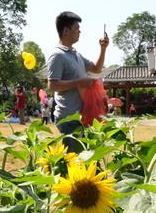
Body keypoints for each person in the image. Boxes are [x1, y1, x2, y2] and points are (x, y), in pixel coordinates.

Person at [46, 11, 109, 152]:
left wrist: (103, 49)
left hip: (81, 117)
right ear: (66, 31)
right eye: (76, 28)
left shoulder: (76, 54)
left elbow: (96, 69)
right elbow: (52, 86)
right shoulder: (57, 55)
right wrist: (79, 82)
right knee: (75, 162)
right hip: (67, 119)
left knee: (86, 160)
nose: (80, 31)